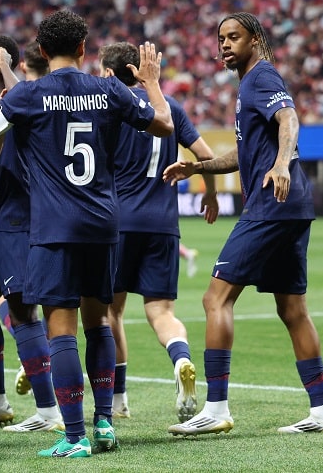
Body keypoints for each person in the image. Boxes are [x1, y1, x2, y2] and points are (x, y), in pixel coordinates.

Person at [0, 8, 174, 458]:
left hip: (55, 226)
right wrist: (151, 81)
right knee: (99, 323)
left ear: (40, 49)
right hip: (104, 222)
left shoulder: (29, 95)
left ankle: (74, 436)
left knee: (62, 331)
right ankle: (104, 423)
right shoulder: (110, 89)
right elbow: (164, 123)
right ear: (83, 48)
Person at [163, 12, 323, 436]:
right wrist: (198, 167)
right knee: (292, 308)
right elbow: (241, 155)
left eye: (234, 37)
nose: (225, 44)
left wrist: (281, 164)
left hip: (270, 206)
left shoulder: (261, 77)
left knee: (215, 299)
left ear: (255, 39)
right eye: (221, 38)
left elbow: (289, 119)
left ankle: (216, 408)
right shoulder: (249, 84)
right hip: (291, 207)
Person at [98, 41, 218, 422]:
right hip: (164, 225)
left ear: (109, 74)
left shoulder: (109, 108)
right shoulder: (171, 108)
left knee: (111, 312)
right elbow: (207, 157)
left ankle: (118, 400)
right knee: (162, 311)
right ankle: (180, 359)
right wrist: (211, 194)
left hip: (118, 223)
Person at [0, 37, 64, 433]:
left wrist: (8, 66)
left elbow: (22, 98)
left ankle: (49, 412)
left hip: (24, 220)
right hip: (2, 222)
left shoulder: (25, 98)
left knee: (23, 311)